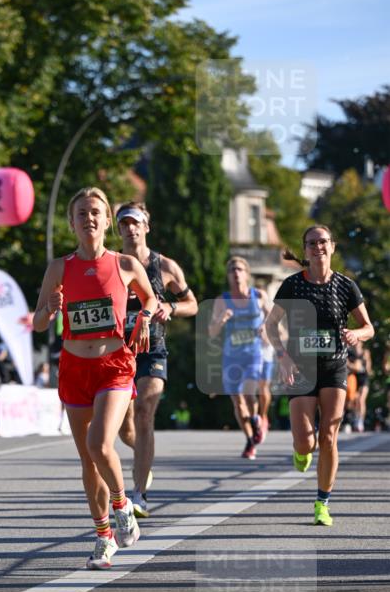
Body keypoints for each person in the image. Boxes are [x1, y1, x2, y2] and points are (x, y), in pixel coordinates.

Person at [33, 186, 157, 570]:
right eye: (82, 212)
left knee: (100, 444)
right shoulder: (59, 268)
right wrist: (50, 310)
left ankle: (122, 507)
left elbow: (150, 298)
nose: (89, 218)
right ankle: (104, 537)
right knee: (88, 461)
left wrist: (145, 319)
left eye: (96, 212)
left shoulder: (125, 265)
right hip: (74, 368)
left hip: (114, 365)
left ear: (107, 222)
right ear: (72, 222)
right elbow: (37, 323)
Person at [265, 225, 374, 526]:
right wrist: (282, 356)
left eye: (323, 241)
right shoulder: (291, 285)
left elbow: (369, 327)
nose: (318, 247)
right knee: (305, 442)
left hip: (334, 365)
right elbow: (271, 325)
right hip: (300, 367)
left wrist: (356, 334)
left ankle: (322, 502)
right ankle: (302, 451)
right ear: (305, 250)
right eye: (311, 243)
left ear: (332, 246)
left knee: (329, 435)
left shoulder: (346, 286)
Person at [115, 202, 198, 517]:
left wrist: (172, 308)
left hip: (153, 350)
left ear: (146, 227)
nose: (130, 229)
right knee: (125, 429)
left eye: (135, 223)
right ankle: (143, 460)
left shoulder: (165, 266)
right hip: (119, 352)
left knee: (144, 412)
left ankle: (139, 495)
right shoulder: (114, 264)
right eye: (124, 224)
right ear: (119, 229)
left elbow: (193, 304)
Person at [208, 257, 273, 460]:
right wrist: (221, 320)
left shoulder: (259, 296)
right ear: (228, 276)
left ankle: (256, 419)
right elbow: (212, 332)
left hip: (254, 353)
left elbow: (275, 318)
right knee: (237, 402)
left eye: (240, 269)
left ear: (247, 274)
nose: (236, 273)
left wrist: (266, 328)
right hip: (231, 356)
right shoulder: (222, 300)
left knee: (249, 393)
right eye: (232, 270)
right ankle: (250, 439)